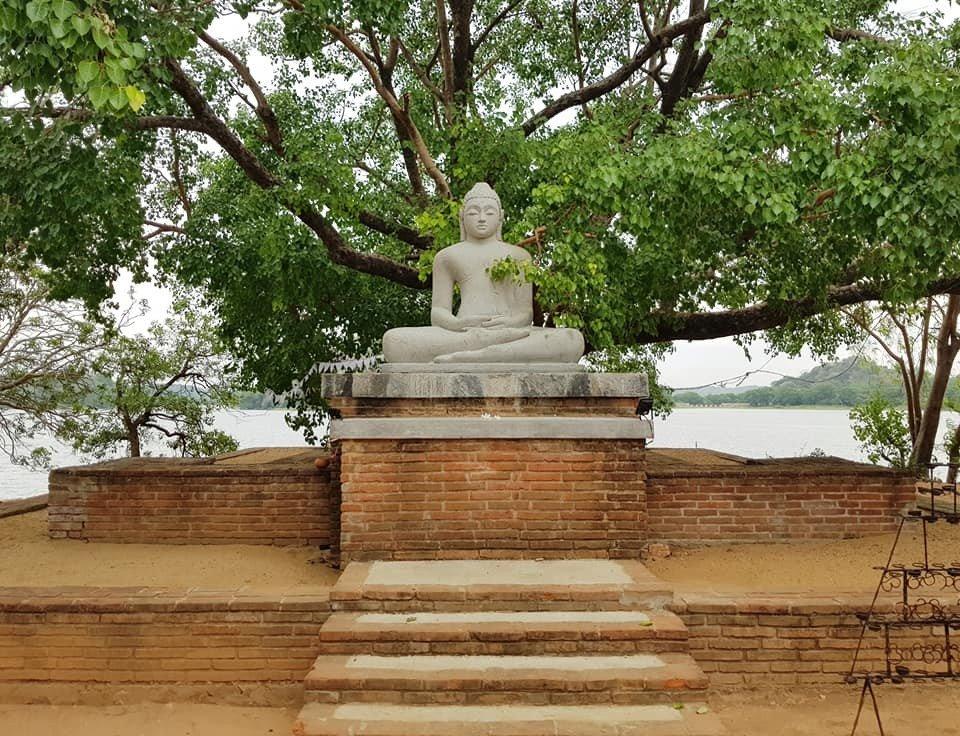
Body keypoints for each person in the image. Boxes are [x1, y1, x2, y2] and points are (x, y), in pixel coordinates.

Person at [381, 182, 585, 365]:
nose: (481, 218)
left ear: (500, 217)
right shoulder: (446, 256)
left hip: (509, 333)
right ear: (462, 217)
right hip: (464, 334)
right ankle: (497, 353)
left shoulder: (519, 256)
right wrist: (458, 324)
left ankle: (474, 356)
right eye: (473, 212)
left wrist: (511, 323)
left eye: (489, 212)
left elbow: (526, 313)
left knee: (572, 340)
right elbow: (438, 312)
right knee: (393, 341)